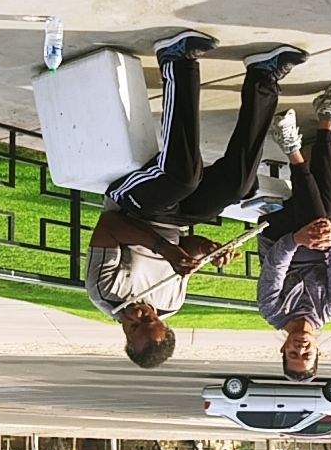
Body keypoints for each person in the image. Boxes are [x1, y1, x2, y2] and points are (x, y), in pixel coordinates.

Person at [87, 30, 309, 369]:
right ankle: (263, 78)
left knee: (183, 176)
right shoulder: (170, 304)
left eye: (133, 327)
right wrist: (205, 249)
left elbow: (109, 226)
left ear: (125, 337)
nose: (140, 315)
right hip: (176, 220)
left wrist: (165, 250)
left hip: (132, 205)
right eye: (149, 321)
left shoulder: (105, 292)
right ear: (163, 324)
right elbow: (185, 248)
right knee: (237, 185)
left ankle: (176, 60)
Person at [256, 82, 331, 381]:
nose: (300, 349)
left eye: (293, 354)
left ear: (283, 348)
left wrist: (297, 240)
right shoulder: (330, 309)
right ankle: (296, 144)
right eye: (307, 354)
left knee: (320, 214)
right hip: (323, 238)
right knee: (324, 214)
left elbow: (274, 265)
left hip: (280, 235)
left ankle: (324, 121)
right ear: (318, 351)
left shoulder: (272, 310)